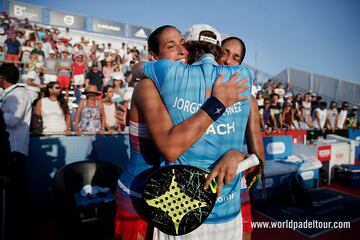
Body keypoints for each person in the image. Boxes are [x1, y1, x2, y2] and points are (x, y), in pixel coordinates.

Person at [114, 25, 251, 240]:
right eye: (171, 46)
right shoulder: (148, 86)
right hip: (139, 196)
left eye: (183, 45)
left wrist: (237, 154)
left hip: (169, 198)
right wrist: (218, 104)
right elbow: (171, 148)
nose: (181, 51)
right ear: (154, 57)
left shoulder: (182, 85)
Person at [220, 36, 265, 240]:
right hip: (197, 187)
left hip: (234, 188)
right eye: (224, 53)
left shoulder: (250, 100)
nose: (228, 61)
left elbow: (259, 161)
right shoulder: (195, 89)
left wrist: (238, 156)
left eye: (235, 58)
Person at [0, 63, 32, 240]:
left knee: (15, 194)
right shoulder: (13, 94)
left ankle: (18, 231)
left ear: (2, 78)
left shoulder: (18, 94)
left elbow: (13, 121)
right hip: (10, 149)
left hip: (13, 150)